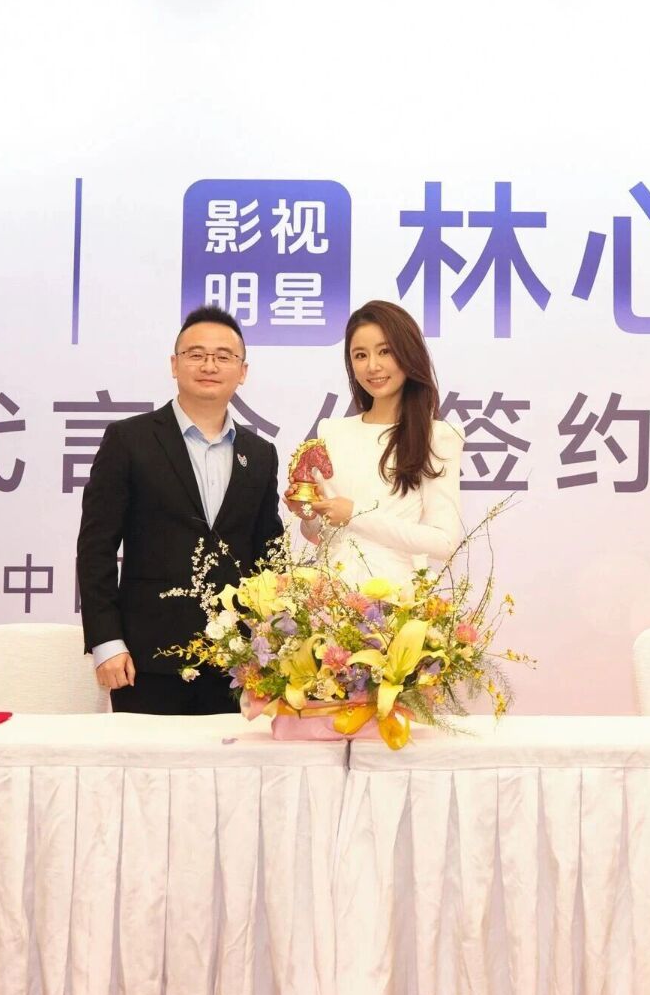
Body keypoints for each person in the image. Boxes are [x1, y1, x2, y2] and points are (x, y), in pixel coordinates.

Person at [77, 306, 285, 713]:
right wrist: (106, 642)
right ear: (175, 365)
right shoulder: (129, 440)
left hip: (238, 663)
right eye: (196, 354)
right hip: (146, 658)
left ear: (242, 371)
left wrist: (274, 641)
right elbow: (95, 548)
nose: (209, 365)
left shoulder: (260, 454)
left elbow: (268, 553)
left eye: (223, 356)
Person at [291, 299, 464, 585]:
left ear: (409, 354)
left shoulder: (437, 436)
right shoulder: (332, 432)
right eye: (360, 355)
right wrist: (307, 513)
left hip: (395, 599)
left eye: (385, 351)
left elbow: (443, 542)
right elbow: (320, 534)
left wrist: (355, 514)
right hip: (328, 594)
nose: (373, 366)